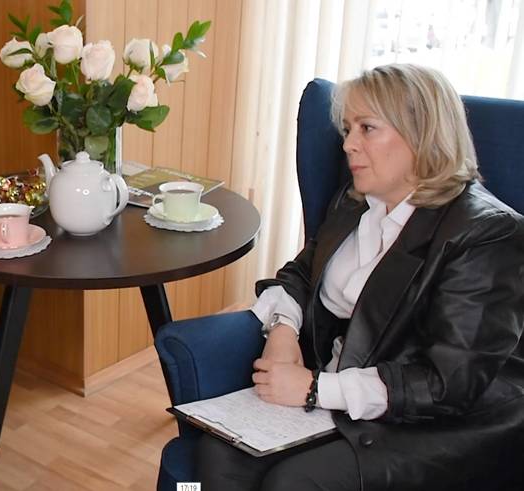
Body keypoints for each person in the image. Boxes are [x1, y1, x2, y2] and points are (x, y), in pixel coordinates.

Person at [196, 64, 524, 490]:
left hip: (431, 423)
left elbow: (449, 382)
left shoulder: (486, 233)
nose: (348, 144)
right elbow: (300, 273)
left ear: (421, 133)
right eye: (348, 128)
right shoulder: (357, 201)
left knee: (291, 483)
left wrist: (316, 390)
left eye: (367, 128)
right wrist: (282, 332)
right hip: (338, 389)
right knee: (214, 454)